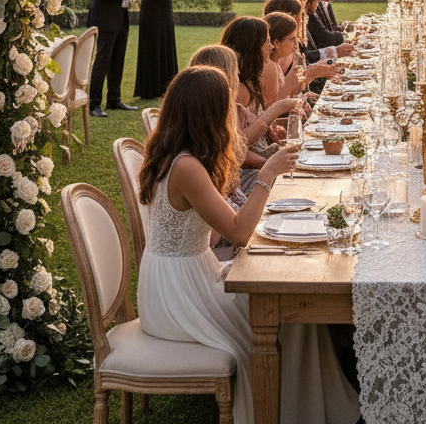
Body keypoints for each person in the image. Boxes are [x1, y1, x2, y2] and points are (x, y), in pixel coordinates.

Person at [136, 65, 361, 424]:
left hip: (181, 275)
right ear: (206, 113)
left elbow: (207, 234)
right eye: (226, 107)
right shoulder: (187, 166)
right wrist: (268, 174)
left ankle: (307, 406)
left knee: (291, 298)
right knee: (292, 308)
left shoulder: (175, 154)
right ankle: (296, 412)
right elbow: (240, 233)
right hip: (178, 295)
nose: (232, 115)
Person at [191, 42, 303, 206]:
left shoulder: (222, 109)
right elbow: (236, 149)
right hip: (241, 183)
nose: (270, 46)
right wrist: (267, 168)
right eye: (236, 73)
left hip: (237, 191)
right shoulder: (209, 122)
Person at [87, 0, 141, 117]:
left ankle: (114, 100)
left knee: (118, 61)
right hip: (105, 21)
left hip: (120, 19)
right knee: (102, 62)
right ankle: (94, 104)